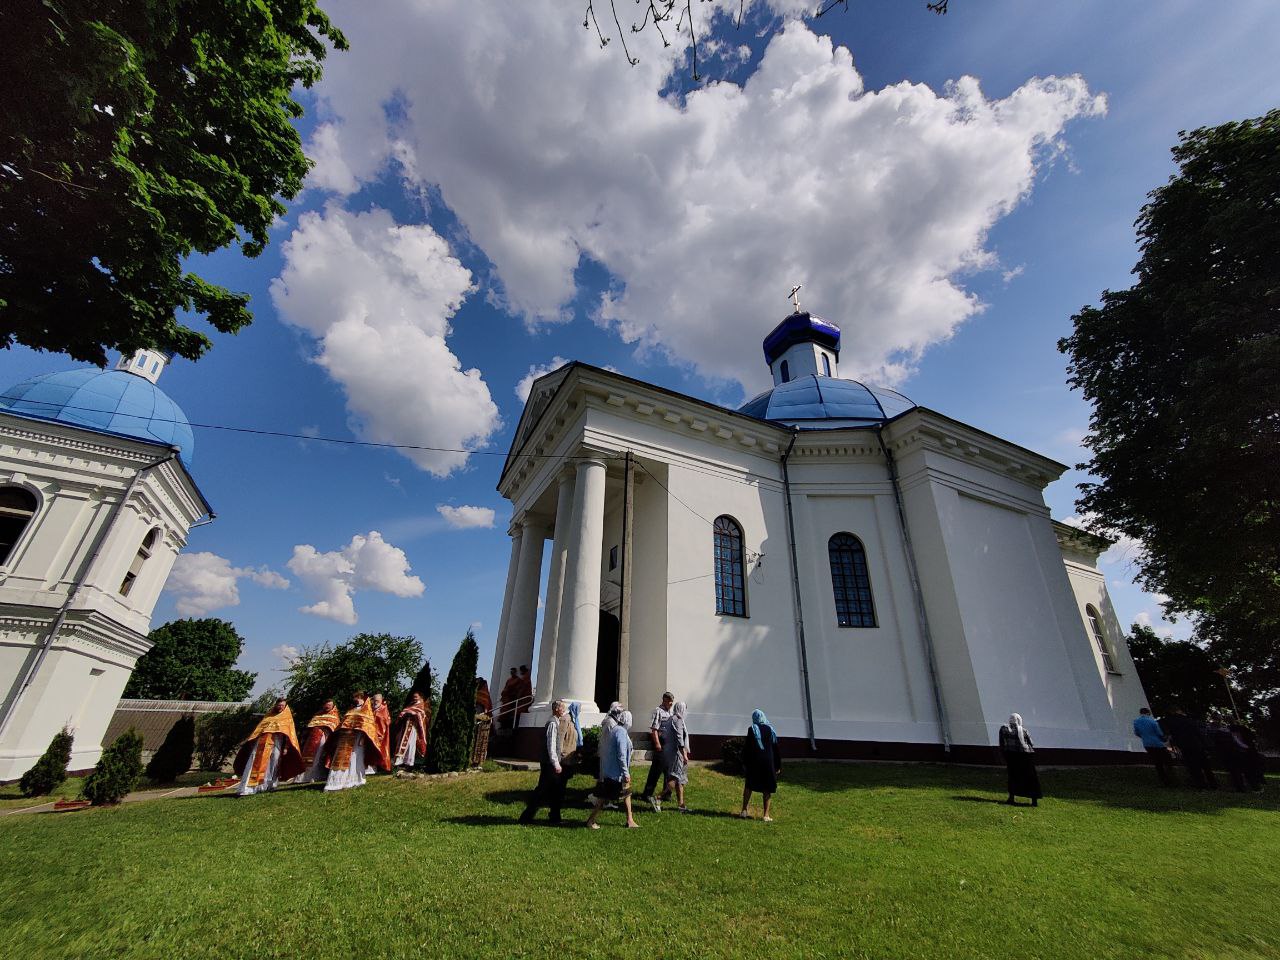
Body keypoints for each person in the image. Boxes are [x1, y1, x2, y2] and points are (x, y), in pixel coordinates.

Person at [520, 699, 578, 824]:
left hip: (551, 763)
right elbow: (551, 745)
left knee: (555, 790)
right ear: (556, 709)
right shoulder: (552, 723)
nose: (564, 710)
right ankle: (527, 816)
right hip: (550, 764)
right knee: (543, 790)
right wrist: (556, 763)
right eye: (562, 708)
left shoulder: (556, 721)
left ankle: (553, 816)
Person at [233, 697, 305, 796]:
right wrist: (252, 742)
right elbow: (258, 731)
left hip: (277, 743)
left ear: (285, 707)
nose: (280, 707)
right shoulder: (268, 717)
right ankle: (249, 787)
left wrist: (286, 747)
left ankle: (270, 785)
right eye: (279, 705)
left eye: (282, 705)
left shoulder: (287, 719)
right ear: (276, 705)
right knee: (255, 763)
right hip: (261, 744)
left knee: (274, 763)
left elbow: (289, 735)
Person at [587, 709, 638, 829]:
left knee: (627, 794)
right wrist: (625, 772)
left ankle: (630, 820)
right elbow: (621, 754)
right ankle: (590, 820)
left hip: (612, 771)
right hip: (616, 773)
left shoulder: (616, 730)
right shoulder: (620, 732)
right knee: (603, 798)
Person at [325, 692, 386, 792]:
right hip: (345, 738)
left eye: (358, 697)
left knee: (355, 759)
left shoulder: (367, 711)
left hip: (357, 738)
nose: (356, 699)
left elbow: (368, 727)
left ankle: (356, 780)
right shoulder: (351, 710)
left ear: (363, 698)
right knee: (341, 758)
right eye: (355, 697)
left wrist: (363, 739)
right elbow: (343, 724)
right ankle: (337, 782)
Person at [739, 709, 781, 821]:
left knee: (749, 786)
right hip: (768, 762)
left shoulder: (752, 729)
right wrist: (777, 766)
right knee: (767, 788)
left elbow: (747, 748)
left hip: (754, 762)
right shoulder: (770, 730)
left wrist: (744, 762)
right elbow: (776, 748)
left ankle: (744, 810)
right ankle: (766, 815)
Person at [1162, 707, 1218, 789]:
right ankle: (1212, 783)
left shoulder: (1171, 722)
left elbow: (1173, 735)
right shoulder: (1188, 720)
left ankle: (1200, 784)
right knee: (1205, 766)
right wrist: (1205, 744)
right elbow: (1198, 732)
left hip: (1185, 747)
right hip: (1197, 745)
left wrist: (1178, 745)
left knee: (1193, 766)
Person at [639, 691, 675, 807]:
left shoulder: (671, 713)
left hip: (669, 746)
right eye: (669, 701)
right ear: (664, 700)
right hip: (661, 745)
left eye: (671, 701)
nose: (670, 703)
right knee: (656, 770)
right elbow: (654, 729)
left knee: (669, 771)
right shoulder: (658, 711)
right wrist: (657, 744)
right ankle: (647, 793)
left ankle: (667, 793)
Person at [999, 713, 1042, 806]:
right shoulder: (1024, 730)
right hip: (1025, 757)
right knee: (1030, 778)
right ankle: (1034, 800)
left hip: (1011, 756)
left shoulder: (1003, 729)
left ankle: (1011, 798)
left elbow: (1002, 743)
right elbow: (1031, 743)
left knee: (1013, 776)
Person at [656, 700, 692, 813]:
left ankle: (681, 805)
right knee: (675, 778)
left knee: (679, 780)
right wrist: (684, 754)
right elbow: (679, 738)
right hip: (677, 753)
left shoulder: (673, 719)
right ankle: (658, 797)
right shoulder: (678, 720)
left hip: (675, 752)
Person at [296, 699, 340, 784]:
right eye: (326, 705)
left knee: (318, 757)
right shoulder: (317, 714)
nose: (327, 707)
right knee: (308, 757)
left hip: (325, 737)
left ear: (333, 706)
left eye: (329, 706)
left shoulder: (335, 716)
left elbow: (335, 728)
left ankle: (315, 776)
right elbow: (310, 726)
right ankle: (304, 777)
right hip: (312, 739)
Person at [1133, 707, 1174, 786]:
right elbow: (1159, 733)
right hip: (1157, 744)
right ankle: (1170, 778)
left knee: (1157, 762)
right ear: (1148, 713)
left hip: (1147, 744)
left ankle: (1163, 779)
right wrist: (1164, 739)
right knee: (1167, 760)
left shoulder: (1136, 722)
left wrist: (1145, 736)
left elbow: (1137, 733)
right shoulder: (1152, 721)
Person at [1208, 715, 1248, 792]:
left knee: (1233, 771)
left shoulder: (1219, 731)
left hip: (1227, 753)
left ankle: (1238, 786)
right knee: (1237, 770)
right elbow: (1237, 741)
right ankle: (1241, 786)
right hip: (1234, 751)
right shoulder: (1231, 730)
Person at [393, 691, 431, 768]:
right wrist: (404, 714)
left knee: (410, 744)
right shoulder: (411, 704)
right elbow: (405, 711)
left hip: (413, 727)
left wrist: (413, 714)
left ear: (420, 697)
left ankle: (409, 762)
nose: (414, 698)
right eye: (413, 697)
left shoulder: (421, 705)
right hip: (405, 726)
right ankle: (401, 760)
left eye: (416, 697)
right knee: (401, 742)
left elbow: (422, 714)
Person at [367, 692, 393, 774]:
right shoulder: (371, 709)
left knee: (379, 751)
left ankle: (378, 768)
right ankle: (370, 768)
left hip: (380, 733)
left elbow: (385, 721)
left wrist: (379, 733)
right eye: (374, 700)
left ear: (381, 700)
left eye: (377, 700)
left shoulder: (383, 709)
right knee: (370, 750)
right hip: (370, 733)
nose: (375, 702)